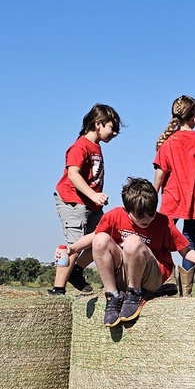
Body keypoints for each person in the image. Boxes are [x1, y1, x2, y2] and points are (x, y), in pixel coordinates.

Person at [93, 177, 195, 327]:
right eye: (139, 216)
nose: (146, 219)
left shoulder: (163, 222)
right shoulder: (115, 215)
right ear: (127, 210)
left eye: (151, 214)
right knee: (100, 239)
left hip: (152, 278)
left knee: (132, 242)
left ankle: (134, 293)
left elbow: (185, 250)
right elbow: (95, 239)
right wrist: (73, 251)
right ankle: (113, 296)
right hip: (126, 272)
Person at [51, 104, 121, 295]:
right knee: (74, 244)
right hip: (73, 201)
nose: (114, 133)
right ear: (98, 124)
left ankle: (76, 271)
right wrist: (94, 195)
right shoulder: (80, 146)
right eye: (112, 128)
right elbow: (73, 174)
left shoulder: (95, 146)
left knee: (103, 237)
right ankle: (58, 289)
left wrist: (94, 199)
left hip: (91, 205)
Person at [153, 95, 195, 297]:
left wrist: (151, 196)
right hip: (194, 199)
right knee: (189, 240)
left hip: (170, 199)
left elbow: (160, 173)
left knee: (161, 239)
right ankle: (186, 292)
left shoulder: (168, 142)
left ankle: (164, 280)